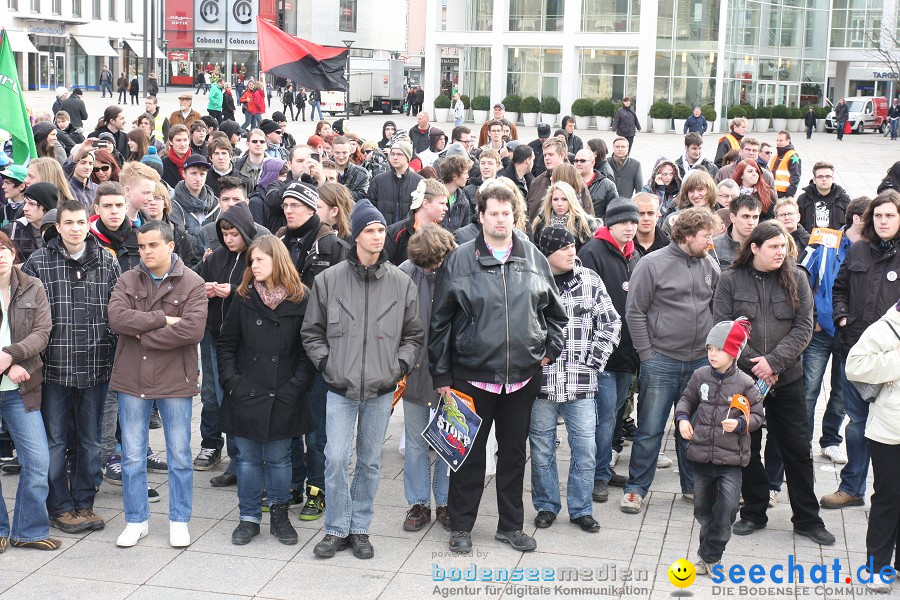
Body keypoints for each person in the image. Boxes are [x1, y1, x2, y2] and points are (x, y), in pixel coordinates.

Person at [429, 182, 567, 553]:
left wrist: (547, 349)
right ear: (481, 216)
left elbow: (556, 314)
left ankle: (510, 526)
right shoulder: (459, 259)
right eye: (494, 213)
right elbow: (440, 321)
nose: (501, 219)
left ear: (514, 215)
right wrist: (441, 375)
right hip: (471, 376)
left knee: (512, 455)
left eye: (507, 213)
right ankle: (460, 527)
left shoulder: (533, 257)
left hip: (522, 378)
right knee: (467, 456)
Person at [302, 200, 423, 559]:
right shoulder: (328, 280)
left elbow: (414, 335)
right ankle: (336, 527)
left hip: (381, 388)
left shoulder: (402, 282)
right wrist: (328, 366)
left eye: (381, 230)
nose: (377, 236)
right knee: (336, 458)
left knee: (369, 461)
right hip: (340, 386)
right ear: (356, 236)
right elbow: (312, 332)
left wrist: (397, 368)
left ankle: (360, 528)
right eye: (369, 230)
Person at [713, 220, 836, 546]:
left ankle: (807, 519)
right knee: (746, 448)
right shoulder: (730, 280)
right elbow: (724, 328)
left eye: (783, 246)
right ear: (754, 248)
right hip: (743, 381)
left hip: (787, 379)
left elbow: (803, 327)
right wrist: (757, 364)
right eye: (773, 247)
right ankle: (754, 511)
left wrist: (774, 362)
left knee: (797, 449)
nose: (781, 252)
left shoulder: (797, 278)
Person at [23, 198, 121, 534]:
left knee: (91, 440)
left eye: (81, 222)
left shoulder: (107, 262)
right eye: (69, 223)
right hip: (53, 367)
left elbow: (117, 310)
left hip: (96, 365)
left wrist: (112, 347)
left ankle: (84, 501)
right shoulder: (39, 262)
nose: (76, 229)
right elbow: (29, 315)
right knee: (55, 440)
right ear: (59, 226)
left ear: (88, 224)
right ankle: (60, 505)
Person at [109, 221, 207, 549]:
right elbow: (117, 319)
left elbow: (192, 330)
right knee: (132, 456)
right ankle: (136, 521)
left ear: (170, 246)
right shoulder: (127, 278)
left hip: (175, 379)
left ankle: (179, 520)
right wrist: (163, 319)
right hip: (131, 377)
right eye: (141, 246)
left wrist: (143, 336)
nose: (146, 252)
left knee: (179, 454)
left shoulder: (192, 283)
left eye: (153, 245)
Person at [622, 207, 722, 513]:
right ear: (688, 235)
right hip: (661, 361)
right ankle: (636, 488)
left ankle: (691, 488)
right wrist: (647, 355)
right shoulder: (652, 264)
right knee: (650, 428)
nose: (710, 242)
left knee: (692, 428)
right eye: (706, 236)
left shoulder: (709, 264)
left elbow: (717, 308)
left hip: (699, 364)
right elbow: (635, 311)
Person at [216, 235, 314, 545]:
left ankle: (280, 516)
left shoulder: (301, 298)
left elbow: (307, 350)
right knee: (246, 459)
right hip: (246, 392)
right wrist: (232, 383)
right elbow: (226, 343)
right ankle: (248, 518)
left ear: (277, 260)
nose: (253, 264)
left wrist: (295, 387)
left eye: (259, 259)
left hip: (284, 393)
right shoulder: (243, 296)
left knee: (280, 458)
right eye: (251, 260)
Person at [528, 225, 620, 534]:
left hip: (581, 383)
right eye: (564, 247)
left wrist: (592, 363)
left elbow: (610, 322)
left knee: (585, 448)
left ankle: (581, 509)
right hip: (541, 384)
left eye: (572, 245)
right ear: (546, 254)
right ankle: (546, 505)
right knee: (541, 449)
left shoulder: (590, 280)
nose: (571, 251)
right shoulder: (532, 282)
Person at [820, 191, 900, 510]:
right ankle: (852, 487)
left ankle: (887, 489)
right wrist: (841, 316)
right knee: (856, 422)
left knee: (889, 423)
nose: (883, 221)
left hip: (889, 361)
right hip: (853, 351)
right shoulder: (858, 250)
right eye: (878, 215)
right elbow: (839, 288)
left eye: (890, 215)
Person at [675, 318, 763, 575]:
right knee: (703, 509)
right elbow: (686, 400)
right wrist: (681, 419)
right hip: (701, 457)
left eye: (720, 350)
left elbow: (758, 417)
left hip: (731, 462)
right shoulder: (699, 375)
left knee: (727, 509)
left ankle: (711, 556)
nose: (713, 354)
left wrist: (738, 424)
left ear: (734, 352)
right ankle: (706, 556)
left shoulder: (746, 383)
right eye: (710, 349)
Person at [576, 196, 640, 498]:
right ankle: (595, 474)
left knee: (614, 415)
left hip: (627, 352)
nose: (630, 228)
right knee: (602, 418)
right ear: (610, 223)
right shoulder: (592, 252)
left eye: (633, 222)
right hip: (602, 353)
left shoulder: (633, 254)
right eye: (624, 222)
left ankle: (603, 467)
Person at [0, 231, 58, 551]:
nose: (0, 255)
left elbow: (42, 333)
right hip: (12, 374)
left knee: (37, 460)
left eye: (3, 248)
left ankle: (29, 529)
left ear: (13, 252)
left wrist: (12, 355)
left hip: (21, 388)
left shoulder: (32, 286)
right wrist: (9, 365)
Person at [397, 225, 456, 532]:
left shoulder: (458, 269)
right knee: (417, 441)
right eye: (425, 264)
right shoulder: (406, 271)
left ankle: (446, 502)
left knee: (449, 440)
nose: (431, 269)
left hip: (451, 372)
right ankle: (418, 503)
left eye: (435, 263)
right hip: (415, 370)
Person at [845, 301, 900, 594]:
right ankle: (877, 567)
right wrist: (896, 360)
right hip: (889, 430)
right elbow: (854, 366)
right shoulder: (885, 328)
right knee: (889, 497)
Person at [385, 179, 449, 265]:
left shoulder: (446, 235)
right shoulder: (395, 234)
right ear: (425, 203)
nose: (446, 208)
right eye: (442, 203)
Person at [526, 139, 594, 220]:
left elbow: (588, 212)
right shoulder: (537, 182)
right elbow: (529, 212)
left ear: (562, 155)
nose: (546, 158)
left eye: (551, 154)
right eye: (545, 155)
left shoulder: (575, 179)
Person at [170, 154, 217, 267]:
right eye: (193, 173)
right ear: (183, 174)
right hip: (185, 263)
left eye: (202, 174)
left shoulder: (216, 203)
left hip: (214, 261)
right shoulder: (173, 204)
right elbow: (181, 239)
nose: (198, 178)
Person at [367, 140, 424, 226]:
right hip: (384, 233)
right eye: (392, 154)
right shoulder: (378, 180)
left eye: (399, 154)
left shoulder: (419, 182)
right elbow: (370, 209)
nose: (395, 157)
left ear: (408, 157)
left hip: (409, 234)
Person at [530, 181, 596, 251]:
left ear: (571, 201)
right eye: (555, 199)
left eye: (564, 199)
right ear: (551, 202)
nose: (559, 204)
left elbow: (586, 253)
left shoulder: (584, 224)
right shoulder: (540, 222)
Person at [6, 182, 57, 262]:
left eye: (32, 204)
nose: (25, 208)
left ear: (46, 206)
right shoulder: (12, 229)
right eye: (25, 203)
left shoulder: (61, 229)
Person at [796, 161, 850, 232]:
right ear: (814, 180)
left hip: (837, 241)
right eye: (820, 176)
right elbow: (797, 224)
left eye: (828, 176)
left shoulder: (844, 199)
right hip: (809, 241)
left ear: (832, 179)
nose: (824, 179)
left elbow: (850, 224)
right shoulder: (803, 199)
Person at [712, 195, 761, 269]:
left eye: (755, 217)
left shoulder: (763, 247)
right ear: (732, 217)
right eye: (745, 216)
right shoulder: (713, 247)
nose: (751, 222)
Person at [573, 148, 616, 220]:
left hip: (596, 228)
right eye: (576, 161)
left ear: (592, 163)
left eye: (582, 161)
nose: (578, 163)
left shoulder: (607, 185)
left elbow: (613, 213)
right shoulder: (568, 182)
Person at [439, 155, 474, 232]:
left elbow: (465, 232)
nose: (468, 176)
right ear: (454, 176)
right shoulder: (433, 197)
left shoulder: (464, 202)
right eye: (465, 173)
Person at [331, 136, 370, 200]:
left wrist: (338, 192)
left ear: (350, 151)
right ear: (332, 151)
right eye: (337, 153)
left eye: (344, 153)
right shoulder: (323, 170)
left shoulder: (361, 173)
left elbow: (363, 196)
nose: (341, 157)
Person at [633, 192, 669, 256]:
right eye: (641, 214)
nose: (646, 218)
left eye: (650, 213)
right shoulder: (622, 245)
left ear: (658, 214)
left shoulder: (669, 247)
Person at [769, 131, 801, 199]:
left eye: (781, 140)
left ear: (788, 141)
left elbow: (796, 177)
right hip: (773, 192)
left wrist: (789, 194)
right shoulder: (776, 156)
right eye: (777, 140)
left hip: (784, 193)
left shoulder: (793, 156)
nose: (778, 143)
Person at [160, 124, 192, 189]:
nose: (182, 144)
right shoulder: (163, 165)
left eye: (185, 140)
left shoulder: (198, 161)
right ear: (171, 142)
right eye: (178, 140)